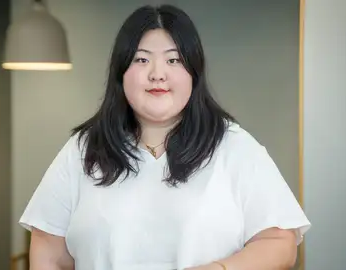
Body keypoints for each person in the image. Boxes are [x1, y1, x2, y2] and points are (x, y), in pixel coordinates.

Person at [19, 4, 311, 270]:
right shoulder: (83, 150)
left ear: (193, 73)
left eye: (173, 60)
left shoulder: (235, 147)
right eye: (142, 60)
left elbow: (280, 243)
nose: (158, 74)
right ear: (120, 73)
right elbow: (50, 251)